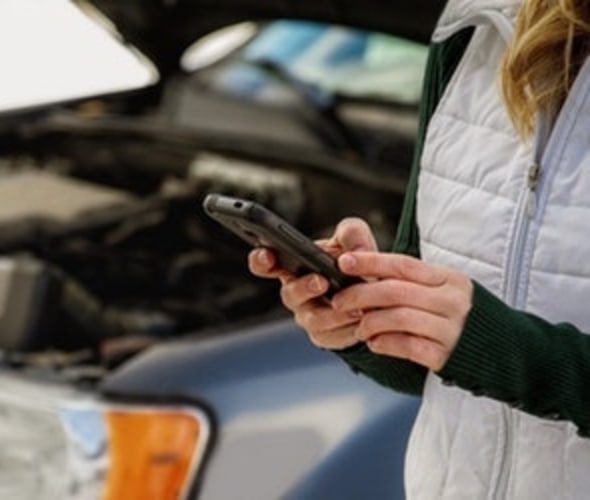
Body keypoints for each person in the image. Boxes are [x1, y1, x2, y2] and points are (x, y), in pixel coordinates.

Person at [249, 0, 590, 498]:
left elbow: (495, 349)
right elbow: (435, 371)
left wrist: (504, 349)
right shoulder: (475, 25)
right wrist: (364, 321)